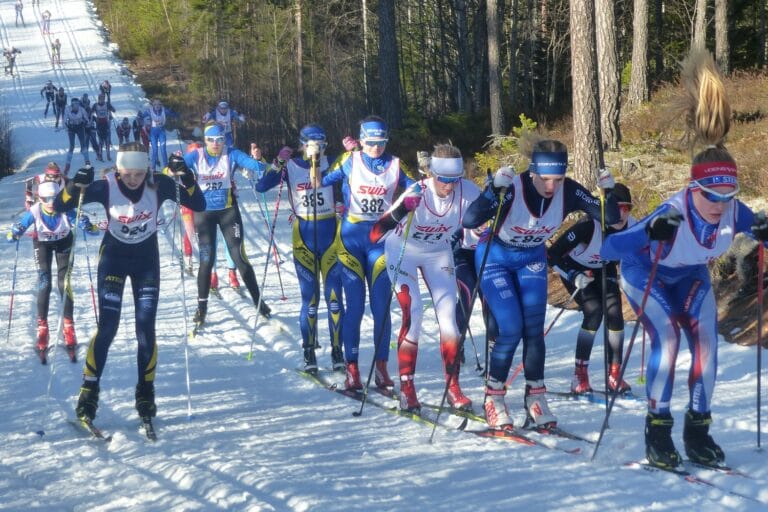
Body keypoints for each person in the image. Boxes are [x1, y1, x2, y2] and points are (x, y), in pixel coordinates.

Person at [601, 50, 768, 470]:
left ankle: (698, 431)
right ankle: (657, 430)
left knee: (708, 345)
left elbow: (753, 223)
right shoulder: (670, 214)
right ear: (693, 190)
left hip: (690, 277)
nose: (720, 206)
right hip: (646, 275)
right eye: (711, 197)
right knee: (669, 341)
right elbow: (609, 250)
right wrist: (645, 235)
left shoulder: (733, 210)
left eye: (728, 197)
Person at [462, 131, 618, 431]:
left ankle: (536, 397)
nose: (551, 186)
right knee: (510, 328)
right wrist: (492, 192)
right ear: (532, 171)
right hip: (495, 257)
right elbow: (470, 220)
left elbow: (608, 217)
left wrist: (607, 193)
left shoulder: (569, 191)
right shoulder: (514, 187)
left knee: (534, 330)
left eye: (557, 179)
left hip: (531, 258)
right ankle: (493, 398)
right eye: (545, 179)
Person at [54, 142, 205, 427]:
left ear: (146, 168)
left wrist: (186, 176)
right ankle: (89, 391)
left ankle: (145, 391)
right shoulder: (106, 186)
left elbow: (199, 204)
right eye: (127, 174)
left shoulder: (158, 183)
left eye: (138, 173)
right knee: (108, 327)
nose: (133, 180)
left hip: (146, 261)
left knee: (145, 328)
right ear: (118, 169)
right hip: (113, 258)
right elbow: (59, 206)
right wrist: (75, 184)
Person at [369, 143, 480, 412]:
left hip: (438, 253)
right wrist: (402, 209)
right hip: (403, 251)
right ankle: (408, 388)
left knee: (450, 322)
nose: (449, 186)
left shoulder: (469, 191)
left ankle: (453, 386)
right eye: (443, 180)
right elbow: (375, 233)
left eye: (455, 180)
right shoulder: (417, 190)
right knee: (414, 313)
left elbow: (481, 224)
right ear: (432, 174)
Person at [320, 116, 414, 390]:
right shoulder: (350, 160)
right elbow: (321, 181)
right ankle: (352, 368)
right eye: (370, 143)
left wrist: (417, 190)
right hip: (350, 240)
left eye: (381, 142)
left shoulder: (395, 164)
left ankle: (381, 367)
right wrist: (315, 159)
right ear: (361, 141)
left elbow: (415, 187)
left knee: (381, 306)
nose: (375, 148)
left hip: (380, 239)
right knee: (355, 307)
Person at [255, 124, 345, 373]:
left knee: (335, 299)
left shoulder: (334, 163)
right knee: (311, 299)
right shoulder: (292, 166)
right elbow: (261, 187)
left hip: (331, 235)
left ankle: (338, 349)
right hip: (303, 236)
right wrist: (277, 162)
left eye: (321, 145)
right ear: (301, 144)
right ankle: (308, 350)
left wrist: (353, 151)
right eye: (310, 145)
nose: (316, 150)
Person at [178, 123, 273, 327]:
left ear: (224, 140)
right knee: (206, 260)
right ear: (205, 140)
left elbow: (258, 167)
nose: (215, 144)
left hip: (229, 212)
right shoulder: (197, 156)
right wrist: (174, 164)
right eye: (211, 140)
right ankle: (201, 308)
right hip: (203, 214)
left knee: (239, 256)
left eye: (219, 140)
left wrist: (258, 157)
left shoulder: (232, 154)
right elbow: (174, 169)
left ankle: (258, 301)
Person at [547, 182, 635, 395]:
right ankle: (580, 375)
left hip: (605, 269)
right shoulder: (589, 226)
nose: (621, 214)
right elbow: (552, 255)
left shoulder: (633, 226)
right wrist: (572, 275)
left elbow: (640, 254)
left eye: (627, 208)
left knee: (615, 315)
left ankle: (614, 373)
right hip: (577, 271)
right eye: (616, 208)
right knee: (594, 313)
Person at [7, 180, 93, 364]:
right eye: (46, 199)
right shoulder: (35, 211)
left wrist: (86, 224)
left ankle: (69, 326)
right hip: (42, 244)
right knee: (45, 283)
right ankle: (42, 328)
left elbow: (80, 221)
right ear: (40, 198)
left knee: (65, 283)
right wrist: (15, 232)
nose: (51, 202)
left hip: (64, 242)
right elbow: (21, 226)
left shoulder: (64, 208)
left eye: (54, 198)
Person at [144, 99, 177, 171]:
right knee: (155, 150)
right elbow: (142, 116)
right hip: (153, 132)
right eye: (155, 104)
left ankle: (166, 167)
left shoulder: (164, 110)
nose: (157, 106)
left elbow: (173, 114)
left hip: (161, 132)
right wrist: (139, 117)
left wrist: (175, 114)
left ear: (161, 105)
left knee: (163, 150)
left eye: (159, 104)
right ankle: (153, 168)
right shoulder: (149, 111)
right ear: (153, 105)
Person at [63, 97, 90, 174]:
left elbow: (86, 118)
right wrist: (66, 127)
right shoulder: (67, 109)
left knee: (83, 144)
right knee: (72, 146)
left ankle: (87, 163)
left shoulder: (81, 109)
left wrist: (86, 123)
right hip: (71, 128)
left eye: (78, 104)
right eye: (75, 104)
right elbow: (64, 120)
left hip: (80, 127)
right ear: (72, 105)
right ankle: (67, 165)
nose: (76, 106)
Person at [92, 93, 115, 161]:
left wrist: (111, 110)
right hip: (99, 124)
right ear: (98, 99)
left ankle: (108, 156)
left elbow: (113, 110)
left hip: (106, 123)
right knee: (100, 141)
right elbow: (90, 113)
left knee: (107, 140)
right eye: (101, 99)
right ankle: (100, 156)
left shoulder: (107, 104)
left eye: (103, 99)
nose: (102, 100)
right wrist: (93, 118)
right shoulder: (95, 105)